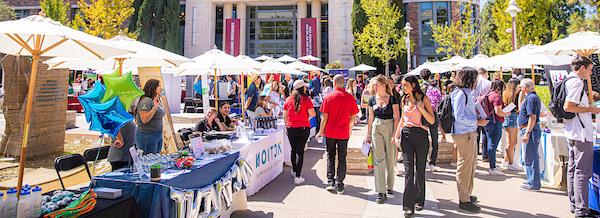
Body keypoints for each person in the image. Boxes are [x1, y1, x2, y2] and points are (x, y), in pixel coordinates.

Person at [392, 75, 435, 216]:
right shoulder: (404, 99)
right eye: (402, 85)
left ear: (414, 85)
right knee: (408, 170)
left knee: (420, 170)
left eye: (405, 85)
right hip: (406, 135)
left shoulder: (424, 99)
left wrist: (421, 109)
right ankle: (408, 206)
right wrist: (396, 135)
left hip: (421, 135)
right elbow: (402, 120)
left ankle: (419, 200)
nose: (402, 87)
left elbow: (432, 121)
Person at [563, 56, 600, 217]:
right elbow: (569, 106)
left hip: (573, 131)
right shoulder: (577, 82)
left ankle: (575, 204)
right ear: (582, 68)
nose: (591, 72)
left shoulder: (568, 80)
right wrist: (590, 110)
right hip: (581, 134)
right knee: (582, 172)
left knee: (573, 170)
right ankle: (581, 209)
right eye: (590, 69)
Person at [451, 67, 488, 212]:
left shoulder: (464, 93)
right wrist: (477, 122)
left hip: (468, 133)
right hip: (464, 133)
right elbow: (459, 116)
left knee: (470, 166)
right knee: (465, 167)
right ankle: (464, 198)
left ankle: (466, 193)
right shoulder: (461, 94)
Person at [317, 74, 359, 194]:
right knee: (342, 157)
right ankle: (340, 183)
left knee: (330, 155)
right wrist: (349, 128)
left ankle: (330, 181)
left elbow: (324, 117)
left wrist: (321, 131)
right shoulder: (349, 97)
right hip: (343, 132)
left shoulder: (328, 97)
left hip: (330, 131)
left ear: (334, 83)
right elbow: (353, 115)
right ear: (343, 83)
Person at [366, 75, 400, 204]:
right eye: (373, 85)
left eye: (377, 85)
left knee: (390, 158)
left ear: (384, 85)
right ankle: (381, 191)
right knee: (379, 159)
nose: (374, 87)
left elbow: (397, 117)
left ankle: (389, 185)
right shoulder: (372, 100)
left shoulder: (392, 98)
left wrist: (395, 134)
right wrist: (368, 135)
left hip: (390, 126)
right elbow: (370, 118)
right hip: (376, 128)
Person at [283, 80, 316, 185]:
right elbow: (313, 114)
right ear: (303, 88)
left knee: (293, 150)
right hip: (303, 127)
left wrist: (287, 125)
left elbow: (285, 115)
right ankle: (298, 175)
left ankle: (294, 171)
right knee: (300, 152)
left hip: (291, 127)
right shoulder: (307, 99)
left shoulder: (288, 99)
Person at [517, 78, 542, 191]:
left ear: (524, 88)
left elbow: (532, 117)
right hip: (529, 129)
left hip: (530, 130)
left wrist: (527, 133)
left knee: (530, 157)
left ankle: (533, 183)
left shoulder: (531, 98)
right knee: (529, 156)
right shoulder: (530, 97)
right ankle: (531, 181)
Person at [483, 80, 509, 176]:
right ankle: (492, 167)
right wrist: (506, 113)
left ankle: (492, 165)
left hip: (488, 121)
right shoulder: (496, 97)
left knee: (490, 143)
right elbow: (498, 112)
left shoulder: (489, 94)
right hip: (495, 122)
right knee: (493, 144)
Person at [420, 69, 443, 172]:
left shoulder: (421, 88)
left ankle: (424, 160)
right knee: (434, 139)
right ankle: (432, 162)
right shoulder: (435, 87)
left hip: (423, 113)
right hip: (434, 113)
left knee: (423, 139)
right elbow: (439, 99)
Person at [136, 79, 166, 154]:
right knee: (149, 161)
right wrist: (154, 108)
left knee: (155, 159)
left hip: (157, 134)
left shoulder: (155, 100)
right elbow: (144, 119)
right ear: (152, 87)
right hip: (148, 135)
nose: (161, 88)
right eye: (159, 86)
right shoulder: (146, 101)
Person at [501, 78, 522, 171]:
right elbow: (510, 108)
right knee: (511, 142)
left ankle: (506, 161)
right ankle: (510, 163)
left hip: (509, 118)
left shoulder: (506, 93)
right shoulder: (513, 96)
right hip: (511, 118)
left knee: (512, 142)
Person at [473, 68, 491, 161]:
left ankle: (475, 153)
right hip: (484, 110)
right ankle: (485, 155)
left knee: (476, 133)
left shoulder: (474, 82)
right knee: (485, 132)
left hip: (473, 111)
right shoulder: (487, 83)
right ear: (485, 73)